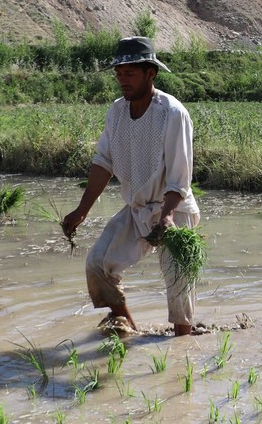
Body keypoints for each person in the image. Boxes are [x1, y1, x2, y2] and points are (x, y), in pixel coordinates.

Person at [62, 36, 201, 337]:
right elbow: (103, 163)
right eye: (119, 74)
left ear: (150, 73)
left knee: (179, 285)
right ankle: (130, 331)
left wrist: (166, 215)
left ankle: (182, 346)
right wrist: (81, 210)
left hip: (173, 210)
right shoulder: (117, 112)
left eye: (130, 73)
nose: (122, 80)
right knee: (97, 264)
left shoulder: (172, 114)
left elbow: (180, 177)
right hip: (137, 208)